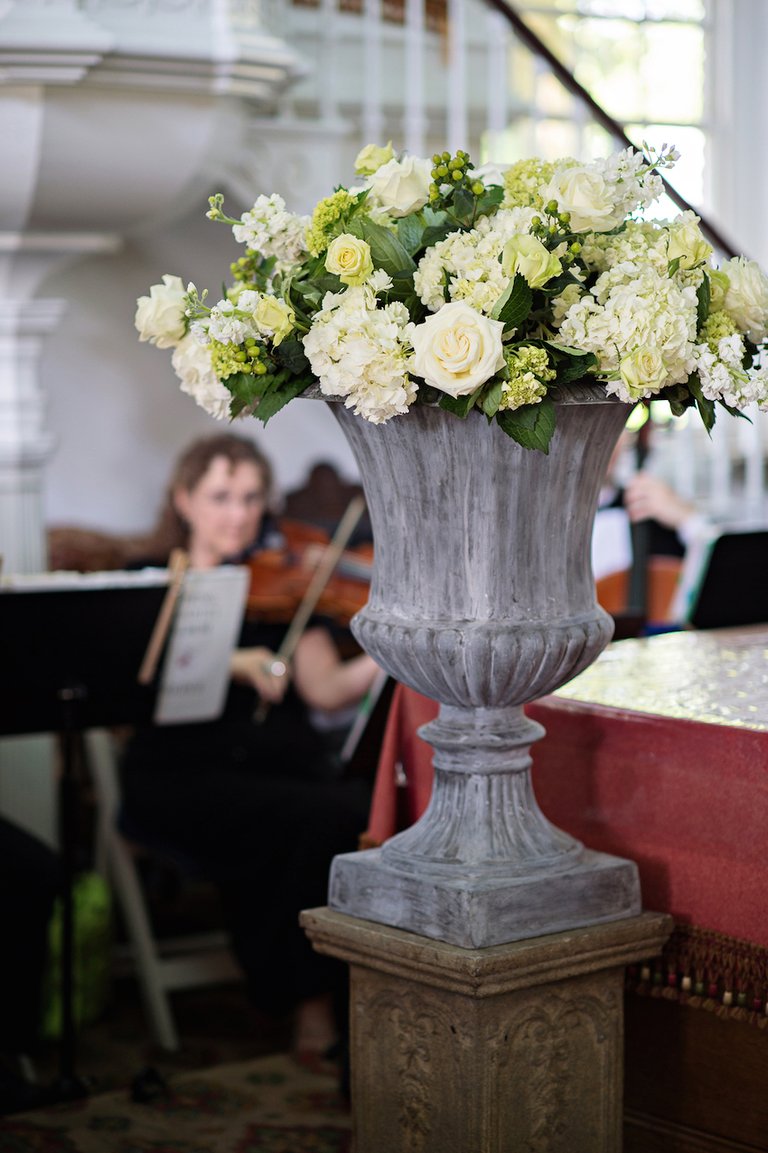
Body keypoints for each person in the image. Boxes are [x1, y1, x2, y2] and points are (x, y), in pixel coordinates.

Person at [119, 433, 381, 1067]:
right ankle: (311, 1003)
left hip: (281, 770)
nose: (237, 514)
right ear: (184, 500)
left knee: (358, 809)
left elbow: (326, 691)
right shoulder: (151, 585)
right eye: (220, 497)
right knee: (313, 820)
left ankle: (354, 999)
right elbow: (130, 678)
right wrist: (235, 661)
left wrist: (393, 646)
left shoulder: (281, 584)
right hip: (182, 776)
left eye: (251, 498)